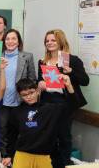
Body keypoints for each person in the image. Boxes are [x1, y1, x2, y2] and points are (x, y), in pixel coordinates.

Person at [37, 29, 89, 168]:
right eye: (47, 41)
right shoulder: (43, 61)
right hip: (47, 102)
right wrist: (40, 84)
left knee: (64, 137)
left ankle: (65, 163)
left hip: (65, 103)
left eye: (53, 40)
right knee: (49, 137)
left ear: (61, 41)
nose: (49, 43)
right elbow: (39, 81)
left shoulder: (72, 60)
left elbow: (85, 81)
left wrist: (70, 71)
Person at [2, 77, 78, 168]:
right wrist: (9, 155)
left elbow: (74, 104)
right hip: (22, 154)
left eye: (31, 92)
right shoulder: (16, 112)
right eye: (24, 95)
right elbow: (11, 136)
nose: (29, 97)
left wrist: (69, 85)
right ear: (20, 95)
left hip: (44, 155)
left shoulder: (50, 109)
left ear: (37, 91)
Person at [0, 29, 36, 158]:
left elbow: (32, 79)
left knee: (20, 131)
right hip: (1, 101)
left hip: (20, 102)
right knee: (2, 130)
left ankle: (17, 158)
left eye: (13, 38)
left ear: (18, 41)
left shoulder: (27, 56)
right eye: (7, 39)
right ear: (4, 41)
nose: (10, 41)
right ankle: (4, 157)